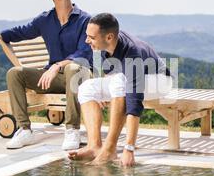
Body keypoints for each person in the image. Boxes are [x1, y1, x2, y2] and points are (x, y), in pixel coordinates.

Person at [0, 0, 92, 150]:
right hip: (54, 79)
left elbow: (84, 54)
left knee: (72, 68)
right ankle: (24, 129)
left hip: (79, 76)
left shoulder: (85, 20)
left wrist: (57, 66)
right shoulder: (45, 20)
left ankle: (72, 130)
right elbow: (20, 32)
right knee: (15, 74)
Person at [68, 13, 173, 167]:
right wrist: (101, 93)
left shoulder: (132, 54)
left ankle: (110, 149)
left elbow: (134, 104)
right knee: (86, 87)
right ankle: (94, 146)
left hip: (159, 80)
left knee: (119, 81)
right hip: (125, 77)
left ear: (109, 37)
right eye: (87, 35)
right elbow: (107, 73)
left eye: (91, 37)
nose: (87, 40)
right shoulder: (103, 47)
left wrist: (129, 149)